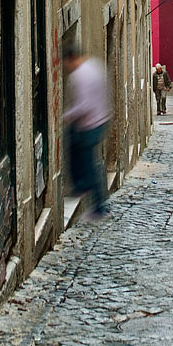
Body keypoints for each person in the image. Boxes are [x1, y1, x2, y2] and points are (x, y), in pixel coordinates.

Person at [62, 43, 111, 218]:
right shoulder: (95, 66)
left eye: (66, 63)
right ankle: (93, 198)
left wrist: (65, 116)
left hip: (87, 125)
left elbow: (84, 104)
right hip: (100, 121)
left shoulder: (79, 75)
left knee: (86, 163)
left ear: (71, 59)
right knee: (89, 163)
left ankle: (87, 193)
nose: (66, 68)